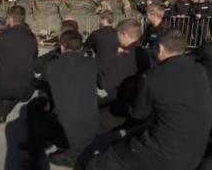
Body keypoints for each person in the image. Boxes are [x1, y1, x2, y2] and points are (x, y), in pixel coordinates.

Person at [85, 30, 212, 170]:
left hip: (162, 154)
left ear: (161, 48)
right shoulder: (199, 70)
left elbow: (139, 114)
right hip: (195, 152)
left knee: (102, 161)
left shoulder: (154, 77)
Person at [29, 30, 99, 168]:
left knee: (33, 109)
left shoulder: (52, 66)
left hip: (65, 133)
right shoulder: (92, 63)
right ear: (81, 47)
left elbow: (40, 81)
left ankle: (37, 148)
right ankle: (71, 153)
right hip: (92, 131)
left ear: (61, 47)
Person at [0, 5, 38, 124]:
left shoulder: (1, 37)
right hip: (25, 85)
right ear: (23, 19)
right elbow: (34, 57)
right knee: (13, 91)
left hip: (6, 82)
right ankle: (1, 114)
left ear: (10, 19)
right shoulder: (32, 37)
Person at [98, 19, 151, 117]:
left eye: (117, 34)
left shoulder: (128, 55)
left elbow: (105, 83)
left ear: (124, 34)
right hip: (139, 101)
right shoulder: (142, 51)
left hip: (129, 107)